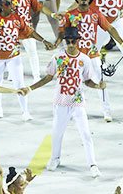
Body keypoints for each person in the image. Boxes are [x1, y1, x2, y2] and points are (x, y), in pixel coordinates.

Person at [23, 26, 104, 177]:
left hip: (78, 103)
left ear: (78, 41)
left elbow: (87, 81)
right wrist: (30, 88)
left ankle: (93, 164)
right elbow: (48, 77)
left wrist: (98, 86)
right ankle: (55, 158)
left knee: (86, 134)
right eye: (68, 41)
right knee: (57, 133)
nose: (71, 44)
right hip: (60, 101)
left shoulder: (84, 60)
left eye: (73, 41)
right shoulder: (58, 57)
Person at [0, 0, 51, 121]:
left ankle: (25, 111)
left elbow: (30, 31)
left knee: (20, 83)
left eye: (12, 3)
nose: (12, 6)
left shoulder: (17, 19)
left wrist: (44, 41)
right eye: (8, 4)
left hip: (14, 57)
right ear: (1, 6)